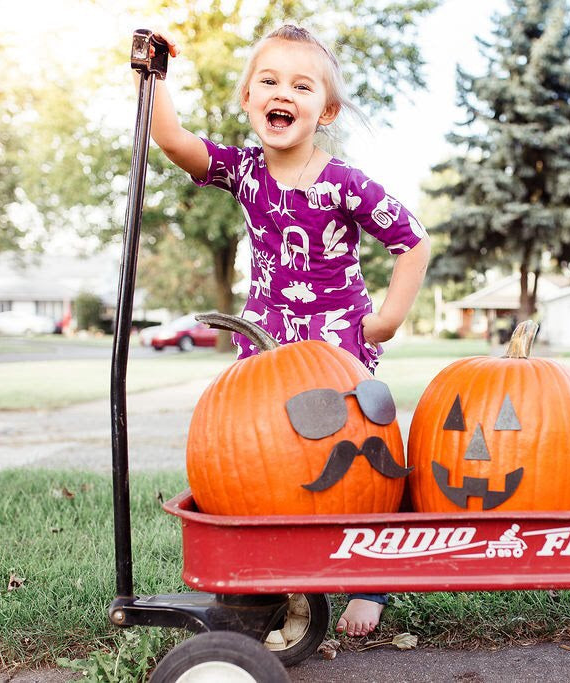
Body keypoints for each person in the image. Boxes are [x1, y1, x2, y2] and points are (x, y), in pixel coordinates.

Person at [141, 25, 431, 638]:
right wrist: (156, 78)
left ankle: (371, 585)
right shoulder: (244, 170)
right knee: (269, 459)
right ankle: (287, 576)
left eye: (301, 85)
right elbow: (170, 139)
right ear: (248, 98)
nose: (282, 92)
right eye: (268, 81)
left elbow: (412, 242)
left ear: (324, 110)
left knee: (358, 465)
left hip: (336, 346)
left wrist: (386, 319)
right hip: (266, 342)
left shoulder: (345, 182)